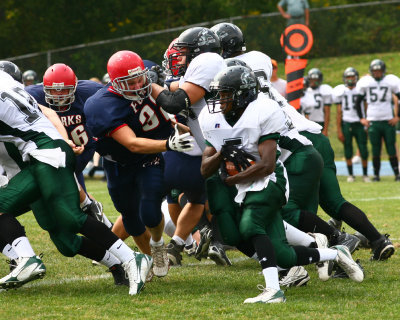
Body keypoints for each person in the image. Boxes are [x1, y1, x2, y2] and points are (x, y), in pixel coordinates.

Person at [212, 22, 395, 263]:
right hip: (314, 136)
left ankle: (333, 243)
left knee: (286, 209)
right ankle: (378, 240)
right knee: (334, 202)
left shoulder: (230, 74)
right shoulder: (257, 61)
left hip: (294, 141)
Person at [199, 65, 363, 303]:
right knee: (284, 256)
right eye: (219, 94)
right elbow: (205, 169)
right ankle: (334, 253)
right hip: (243, 184)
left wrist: (231, 179)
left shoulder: (263, 110)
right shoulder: (211, 118)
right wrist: (222, 153)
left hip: (269, 179)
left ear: (243, 95)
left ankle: (273, 291)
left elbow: (266, 165)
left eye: (226, 94)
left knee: (250, 225)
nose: (220, 100)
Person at [0, 70, 152, 295]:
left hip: (45, 153)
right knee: (65, 241)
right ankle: (120, 263)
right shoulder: (7, 81)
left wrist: (63, 140)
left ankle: (25, 258)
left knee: (69, 216)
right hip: (37, 160)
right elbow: (45, 111)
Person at [84, 50, 194, 278]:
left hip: (149, 158)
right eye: (129, 82)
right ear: (115, 83)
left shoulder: (149, 80)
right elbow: (132, 144)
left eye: (139, 79)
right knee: (130, 216)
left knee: (150, 211)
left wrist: (175, 123)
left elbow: (169, 105)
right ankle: (149, 258)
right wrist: (169, 144)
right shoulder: (102, 104)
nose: (137, 85)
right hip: (118, 163)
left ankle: (157, 245)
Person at [150, 27, 231, 266]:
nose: (178, 59)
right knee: (204, 199)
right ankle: (189, 242)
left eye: (183, 53)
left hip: (225, 148)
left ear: (199, 52)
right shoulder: (198, 73)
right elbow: (178, 91)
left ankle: (319, 243)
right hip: (212, 148)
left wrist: (152, 86)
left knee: (231, 209)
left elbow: (175, 103)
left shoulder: (209, 61)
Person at [25, 64, 113, 228]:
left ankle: (105, 228)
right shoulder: (32, 95)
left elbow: (112, 98)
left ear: (75, 86)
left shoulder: (90, 91)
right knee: (75, 202)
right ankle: (108, 228)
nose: (58, 95)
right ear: (44, 88)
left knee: (74, 202)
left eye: (64, 90)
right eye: (54, 90)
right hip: (56, 154)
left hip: (83, 149)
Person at [355, 59, 400, 181]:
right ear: (371, 71)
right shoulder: (366, 82)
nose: (377, 73)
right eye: (375, 71)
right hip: (373, 121)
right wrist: (361, 118)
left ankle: (397, 174)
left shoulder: (390, 81)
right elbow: (358, 102)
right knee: (375, 149)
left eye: (379, 70)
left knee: (391, 147)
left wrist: (398, 117)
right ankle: (376, 175)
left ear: (383, 71)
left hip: (387, 121)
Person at [333, 67, 370, 183]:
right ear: (345, 78)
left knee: (363, 149)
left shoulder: (361, 90)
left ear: (356, 78)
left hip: (359, 123)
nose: (350, 79)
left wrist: (366, 121)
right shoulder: (341, 92)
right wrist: (339, 129)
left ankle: (365, 174)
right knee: (348, 149)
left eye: (352, 77)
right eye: (348, 77)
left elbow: (366, 107)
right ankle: (351, 174)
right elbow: (339, 112)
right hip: (347, 123)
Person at [303, 68, 333, 136]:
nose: (313, 82)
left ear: (320, 80)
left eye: (316, 80)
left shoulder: (324, 90)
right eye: (311, 79)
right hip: (307, 122)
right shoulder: (305, 91)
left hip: (320, 122)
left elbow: (327, 112)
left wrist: (325, 129)